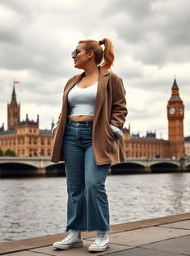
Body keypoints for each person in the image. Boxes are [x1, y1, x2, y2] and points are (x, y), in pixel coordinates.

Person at [51, 38, 127, 252]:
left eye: (76, 51)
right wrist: (59, 124)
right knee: (74, 188)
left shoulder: (110, 78)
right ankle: (74, 233)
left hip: (97, 135)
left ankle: (101, 233)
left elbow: (120, 107)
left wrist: (115, 126)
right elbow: (66, 108)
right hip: (70, 136)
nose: (73, 55)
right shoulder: (72, 81)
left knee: (94, 185)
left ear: (90, 54)